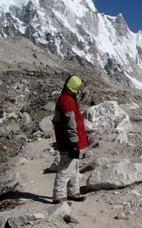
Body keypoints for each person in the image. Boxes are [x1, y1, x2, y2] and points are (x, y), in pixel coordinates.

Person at [52, 75, 89, 204]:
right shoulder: (67, 101)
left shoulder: (65, 99)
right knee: (66, 168)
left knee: (74, 168)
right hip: (69, 141)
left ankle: (73, 192)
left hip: (68, 140)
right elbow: (70, 124)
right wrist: (73, 143)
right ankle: (59, 195)